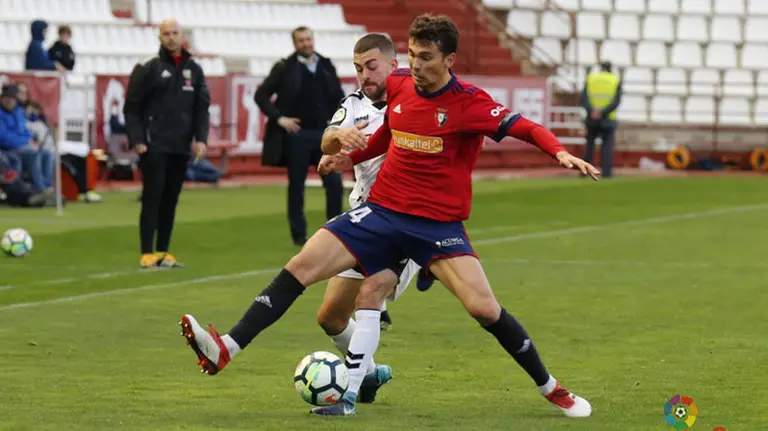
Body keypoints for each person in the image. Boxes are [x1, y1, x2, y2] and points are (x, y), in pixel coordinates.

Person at [179, 14, 599, 419]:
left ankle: (551, 388)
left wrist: (558, 151)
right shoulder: (399, 87)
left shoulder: (469, 103)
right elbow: (386, 135)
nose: (416, 65)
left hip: (436, 226)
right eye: (413, 54)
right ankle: (226, 349)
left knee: (483, 309)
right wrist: (348, 158)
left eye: (427, 57)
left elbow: (523, 126)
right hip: (380, 212)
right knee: (303, 267)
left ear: (449, 60)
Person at [312, 32, 424, 404]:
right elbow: (328, 139)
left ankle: (351, 391)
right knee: (329, 318)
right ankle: (372, 371)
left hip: (404, 219)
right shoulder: (354, 105)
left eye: (371, 66)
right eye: (358, 68)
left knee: (370, 293)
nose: (364, 75)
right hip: (361, 217)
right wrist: (335, 141)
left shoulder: (418, 99)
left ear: (395, 64)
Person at [123, 18, 210, 269]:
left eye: (175, 33)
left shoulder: (194, 69)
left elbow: (201, 109)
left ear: (182, 36)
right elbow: (132, 108)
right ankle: (146, 252)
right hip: (154, 143)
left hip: (180, 144)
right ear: (159, 37)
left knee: (171, 198)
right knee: (152, 196)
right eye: (166, 34)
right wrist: (137, 139)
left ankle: (163, 251)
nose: (171, 38)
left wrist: (200, 138)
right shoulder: (148, 68)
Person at [254, 26, 346, 246]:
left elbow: (339, 97)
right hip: (297, 135)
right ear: (295, 44)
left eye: (308, 39)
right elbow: (261, 95)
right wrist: (279, 118)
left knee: (334, 183)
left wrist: (339, 123)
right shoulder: (284, 67)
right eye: (301, 41)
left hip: (324, 133)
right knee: (297, 186)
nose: (306, 44)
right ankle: (298, 235)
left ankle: (333, 231)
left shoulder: (325, 65)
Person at [0, 84, 55, 195]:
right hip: (8, 149)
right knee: (33, 152)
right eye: (7, 98)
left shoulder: (19, 112)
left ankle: (48, 186)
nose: (10, 101)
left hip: (24, 146)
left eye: (13, 99)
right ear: (2, 99)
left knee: (48, 153)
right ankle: (40, 189)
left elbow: (25, 131)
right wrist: (26, 142)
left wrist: (30, 140)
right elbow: (3, 138)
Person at [581, 61, 622, 179]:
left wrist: (591, 111)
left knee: (589, 145)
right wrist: (603, 112)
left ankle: (585, 171)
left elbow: (583, 98)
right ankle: (607, 173)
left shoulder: (591, 78)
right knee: (607, 146)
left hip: (592, 118)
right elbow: (616, 101)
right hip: (608, 119)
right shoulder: (615, 80)